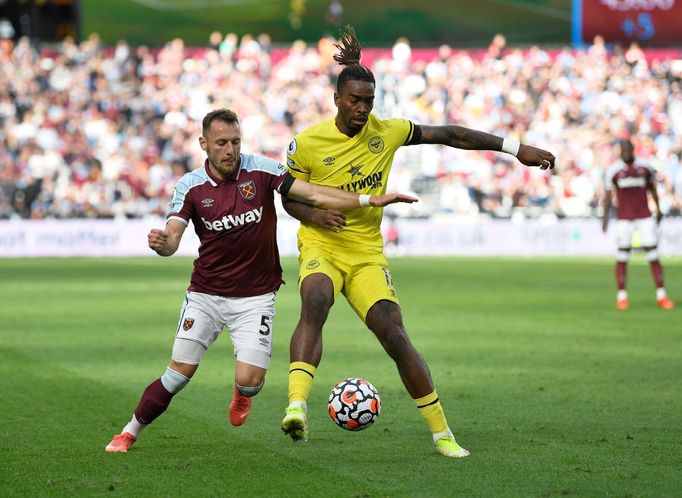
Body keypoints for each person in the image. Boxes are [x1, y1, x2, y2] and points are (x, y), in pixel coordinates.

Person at [279, 25, 556, 458]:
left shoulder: (386, 132)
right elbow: (288, 196)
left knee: (393, 331)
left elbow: (449, 134)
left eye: (369, 101)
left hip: (367, 253)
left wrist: (514, 147)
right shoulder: (308, 143)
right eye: (355, 100)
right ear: (337, 99)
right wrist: (314, 214)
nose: (362, 109)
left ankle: (442, 433)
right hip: (322, 245)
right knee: (315, 300)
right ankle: (296, 406)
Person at [105, 108, 417, 452]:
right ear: (203, 143)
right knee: (178, 374)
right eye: (221, 142)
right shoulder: (190, 186)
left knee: (250, 381)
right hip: (206, 295)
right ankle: (129, 432)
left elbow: (312, 193)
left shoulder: (262, 169)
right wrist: (164, 245)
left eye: (235, 142)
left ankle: (243, 395)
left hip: (255, 298)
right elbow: (173, 236)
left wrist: (367, 199)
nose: (230, 150)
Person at [602, 139, 674, 311]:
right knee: (622, 255)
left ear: (633, 150)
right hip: (624, 218)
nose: (625, 152)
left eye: (628, 149)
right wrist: (605, 217)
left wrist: (658, 208)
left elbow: (652, 189)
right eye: (623, 149)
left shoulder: (645, 167)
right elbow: (607, 196)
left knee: (653, 253)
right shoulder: (614, 170)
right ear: (620, 151)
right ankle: (622, 296)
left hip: (644, 216)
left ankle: (661, 295)